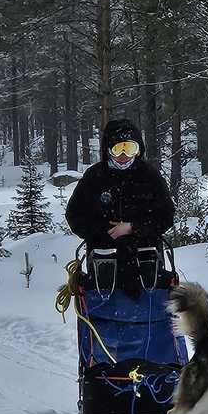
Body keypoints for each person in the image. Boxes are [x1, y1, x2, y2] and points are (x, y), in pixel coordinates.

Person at [66, 118, 175, 295]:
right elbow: (75, 216)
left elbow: (166, 216)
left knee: (151, 306)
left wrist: (134, 227)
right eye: (118, 149)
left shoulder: (149, 175)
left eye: (129, 148)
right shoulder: (94, 176)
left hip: (147, 266)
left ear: (138, 150)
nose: (124, 155)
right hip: (103, 266)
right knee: (103, 305)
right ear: (108, 150)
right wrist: (105, 230)